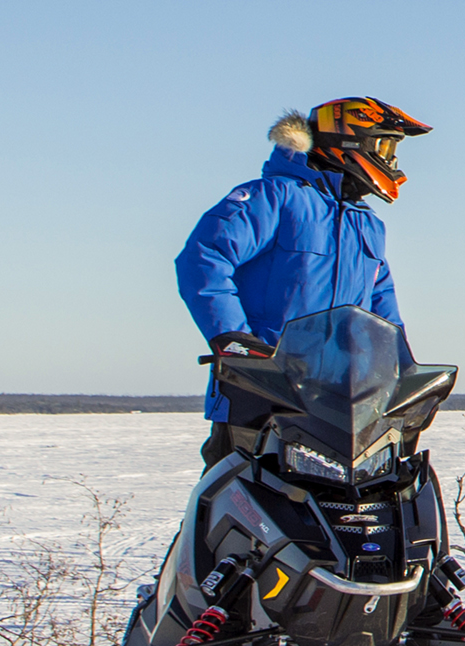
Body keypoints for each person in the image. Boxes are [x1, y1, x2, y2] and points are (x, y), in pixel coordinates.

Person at [175, 98, 430, 467]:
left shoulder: (368, 224)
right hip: (261, 391)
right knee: (246, 503)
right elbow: (204, 256)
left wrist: (399, 369)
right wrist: (232, 337)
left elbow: (381, 303)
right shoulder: (274, 197)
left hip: (344, 406)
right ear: (348, 141)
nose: (390, 160)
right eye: (384, 146)